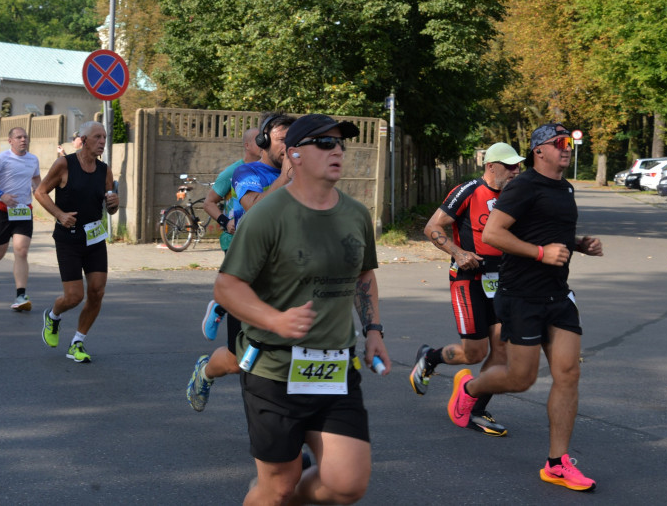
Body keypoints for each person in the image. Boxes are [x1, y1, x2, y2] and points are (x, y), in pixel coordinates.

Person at [214, 113, 389, 506]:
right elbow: (226, 286)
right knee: (276, 486)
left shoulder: (356, 214)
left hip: (335, 368)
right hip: (274, 371)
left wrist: (374, 330)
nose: (337, 151)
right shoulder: (267, 214)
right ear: (294, 154)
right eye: (325, 143)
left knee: (348, 483)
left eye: (340, 143)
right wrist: (274, 319)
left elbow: (364, 276)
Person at [447, 123, 603, 492]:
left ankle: (557, 463)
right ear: (539, 151)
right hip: (520, 296)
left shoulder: (564, 186)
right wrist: (540, 253)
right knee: (521, 378)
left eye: (569, 143)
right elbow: (493, 234)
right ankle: (469, 390)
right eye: (559, 143)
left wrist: (578, 244)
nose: (567, 148)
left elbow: (546, 231)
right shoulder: (523, 186)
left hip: (557, 294)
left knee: (568, 373)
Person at [410, 142, 525, 437]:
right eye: (510, 166)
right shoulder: (469, 190)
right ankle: (431, 357)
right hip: (468, 279)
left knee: (503, 351)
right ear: (491, 167)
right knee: (475, 353)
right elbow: (433, 227)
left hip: (503, 282)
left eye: (517, 165)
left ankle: (475, 409)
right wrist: (458, 253)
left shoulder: (517, 194)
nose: (516, 170)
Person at [186, 126, 261, 411]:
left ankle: (222, 305)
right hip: (236, 243)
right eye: (261, 139)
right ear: (248, 145)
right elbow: (209, 202)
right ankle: (221, 304)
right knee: (237, 360)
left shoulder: (286, 172)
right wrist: (224, 221)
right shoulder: (235, 172)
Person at [33, 120, 119, 364]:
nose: (102, 142)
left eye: (104, 137)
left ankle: (77, 342)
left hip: (94, 238)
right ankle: (53, 315)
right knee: (73, 296)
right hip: (68, 239)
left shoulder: (105, 170)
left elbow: (110, 206)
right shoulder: (64, 164)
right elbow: (40, 192)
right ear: (83, 140)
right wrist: (59, 214)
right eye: (97, 137)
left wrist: (114, 205)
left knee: (97, 291)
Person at [0, 127, 42, 311]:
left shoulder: (33, 159)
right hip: (2, 211)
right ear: (10, 141)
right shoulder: (2, 158)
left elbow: (37, 181)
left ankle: (21, 295)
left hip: (23, 211)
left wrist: (40, 192)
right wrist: (1, 194)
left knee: (21, 251)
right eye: (19, 137)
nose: (23, 140)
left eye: (25, 137)